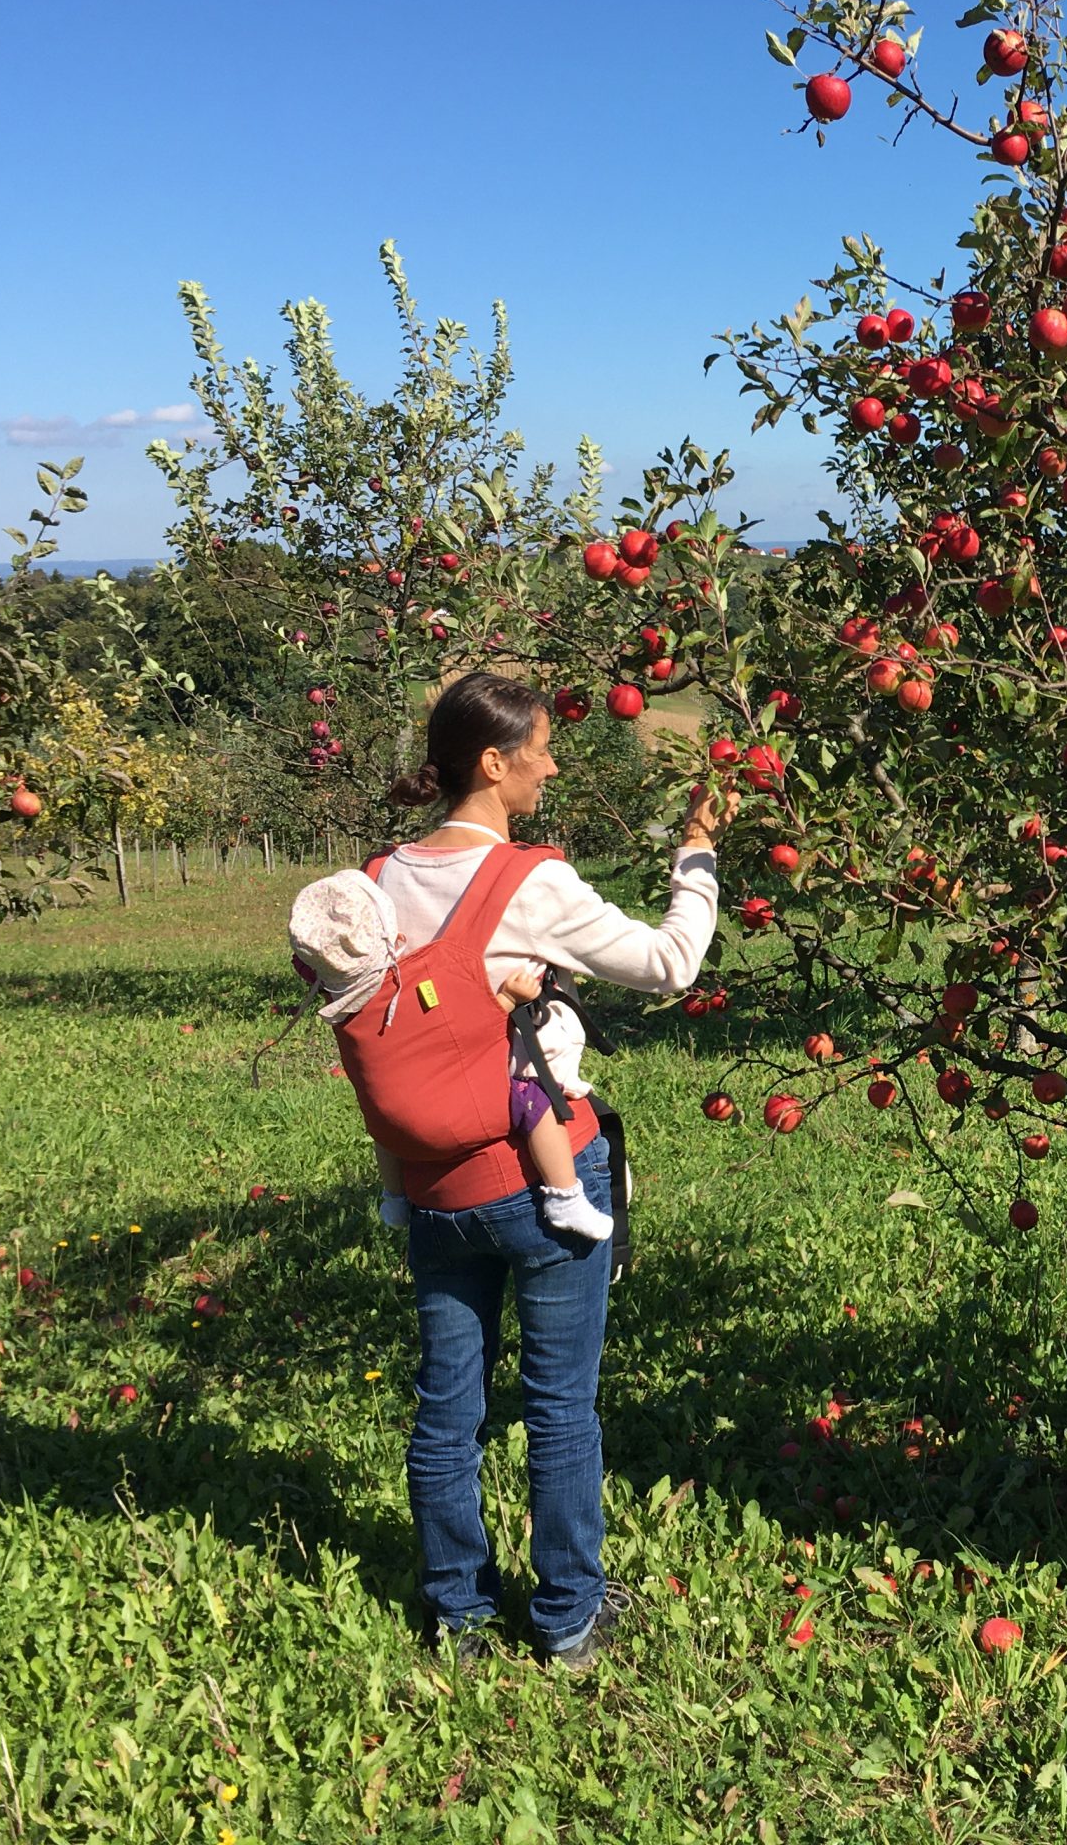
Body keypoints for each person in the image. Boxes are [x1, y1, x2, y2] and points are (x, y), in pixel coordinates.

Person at [357, 671, 731, 1669]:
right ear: (494, 762)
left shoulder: (378, 879)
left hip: (434, 1179)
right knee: (561, 1404)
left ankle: (457, 1616)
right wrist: (696, 858)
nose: (554, 764)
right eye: (542, 749)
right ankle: (566, 1618)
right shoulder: (529, 880)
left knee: (448, 1404)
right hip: (542, 1174)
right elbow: (667, 965)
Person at [289, 882, 604, 1241]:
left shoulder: (336, 997)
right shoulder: (401, 989)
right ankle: (565, 1196)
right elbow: (467, 1030)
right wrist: (509, 998)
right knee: (534, 1100)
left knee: (383, 1127)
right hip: (455, 1111)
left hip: (397, 1125)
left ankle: (394, 1199)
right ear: (391, 940)